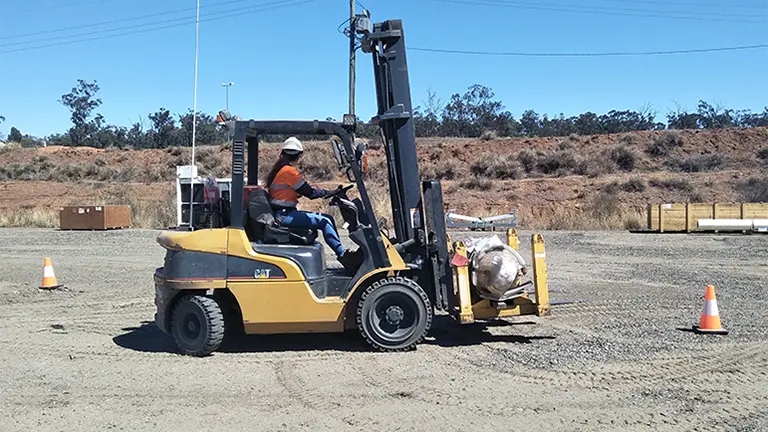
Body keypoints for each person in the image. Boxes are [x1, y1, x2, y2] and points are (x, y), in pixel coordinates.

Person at [266, 136, 362, 271]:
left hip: (283, 213)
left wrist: (327, 192)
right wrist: (330, 192)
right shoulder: (288, 171)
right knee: (325, 221)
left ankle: (343, 254)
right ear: (298, 156)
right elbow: (310, 193)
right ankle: (344, 256)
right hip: (284, 215)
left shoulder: (282, 170)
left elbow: (297, 191)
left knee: (327, 219)